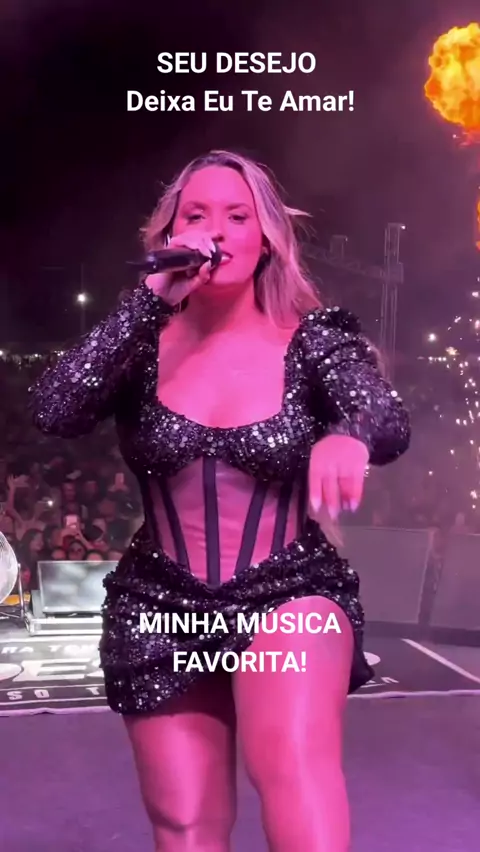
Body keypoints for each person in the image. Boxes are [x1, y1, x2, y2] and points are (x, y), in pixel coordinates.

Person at [29, 149, 410, 852]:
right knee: (184, 822)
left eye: (238, 216)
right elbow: (55, 408)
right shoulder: (142, 349)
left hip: (288, 591)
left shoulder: (314, 341)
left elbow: (383, 416)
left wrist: (348, 435)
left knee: (291, 769)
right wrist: (149, 300)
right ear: (169, 234)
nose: (216, 232)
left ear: (267, 237)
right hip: (161, 602)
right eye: (196, 215)